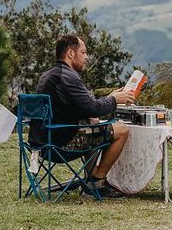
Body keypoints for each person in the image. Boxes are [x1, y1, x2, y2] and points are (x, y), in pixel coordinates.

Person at [34, 34, 136, 198]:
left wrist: (108, 98)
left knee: (93, 123)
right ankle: (96, 182)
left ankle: (90, 179)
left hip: (42, 143)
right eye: (83, 52)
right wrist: (114, 100)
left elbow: (82, 108)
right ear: (71, 53)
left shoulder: (48, 75)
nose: (87, 57)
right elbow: (93, 108)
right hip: (62, 144)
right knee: (122, 130)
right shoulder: (68, 76)